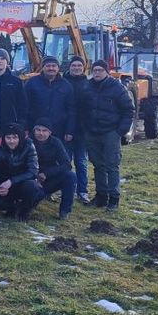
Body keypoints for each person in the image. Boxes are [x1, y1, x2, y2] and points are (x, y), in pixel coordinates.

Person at [79, 60, 135, 211]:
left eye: (100, 70)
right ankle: (101, 196)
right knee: (98, 165)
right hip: (92, 132)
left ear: (107, 72)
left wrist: (120, 131)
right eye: (95, 70)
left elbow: (128, 110)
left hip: (111, 132)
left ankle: (114, 199)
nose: (97, 73)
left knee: (112, 165)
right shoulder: (87, 87)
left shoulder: (117, 88)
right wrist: (85, 127)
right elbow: (82, 109)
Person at [0, 123, 44, 221]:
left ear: (20, 137)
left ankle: (25, 211)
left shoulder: (29, 146)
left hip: (23, 183)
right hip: (6, 186)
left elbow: (33, 171)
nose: (11, 141)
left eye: (14, 137)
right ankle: (13, 208)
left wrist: (11, 181)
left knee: (33, 188)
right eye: (8, 138)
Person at [24, 55, 75, 154]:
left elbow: (71, 110)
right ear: (43, 67)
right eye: (48, 66)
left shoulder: (66, 85)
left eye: (53, 66)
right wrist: (25, 127)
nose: (51, 68)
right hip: (35, 130)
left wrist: (69, 130)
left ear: (58, 68)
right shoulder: (31, 83)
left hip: (59, 130)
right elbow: (24, 107)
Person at [32, 117, 76, 219]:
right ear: (34, 130)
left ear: (50, 132)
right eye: (38, 130)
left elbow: (67, 165)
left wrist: (47, 173)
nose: (41, 133)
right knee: (33, 199)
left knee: (70, 176)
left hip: (48, 178)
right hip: (31, 180)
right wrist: (35, 176)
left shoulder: (56, 143)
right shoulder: (28, 142)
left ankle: (65, 211)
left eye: (44, 131)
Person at [64, 55, 91, 204]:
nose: (76, 68)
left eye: (79, 66)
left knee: (81, 162)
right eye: (74, 66)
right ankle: (66, 189)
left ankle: (82, 190)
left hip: (82, 130)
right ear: (69, 67)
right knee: (65, 161)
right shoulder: (63, 83)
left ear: (83, 68)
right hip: (65, 129)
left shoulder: (88, 84)